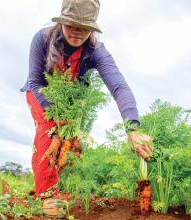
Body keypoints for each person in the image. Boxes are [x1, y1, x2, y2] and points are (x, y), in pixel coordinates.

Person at [20, 0, 153, 216]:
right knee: (50, 132)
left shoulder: (96, 50)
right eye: (72, 24)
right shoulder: (43, 39)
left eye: (85, 27)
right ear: (62, 21)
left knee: (69, 146)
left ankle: (52, 186)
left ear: (92, 28)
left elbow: (119, 86)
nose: (78, 32)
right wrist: (56, 115)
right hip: (41, 93)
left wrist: (132, 128)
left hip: (71, 100)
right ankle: (45, 197)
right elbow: (35, 82)